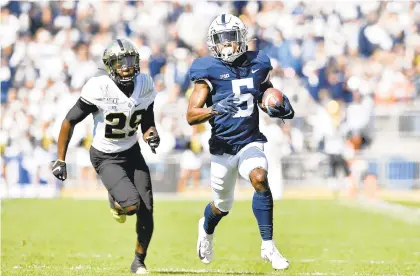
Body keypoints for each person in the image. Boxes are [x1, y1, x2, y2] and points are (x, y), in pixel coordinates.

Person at [186, 14, 294, 271]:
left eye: (230, 40)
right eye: (220, 41)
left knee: (259, 177)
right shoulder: (207, 70)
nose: (226, 45)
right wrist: (215, 109)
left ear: (241, 40)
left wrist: (279, 106)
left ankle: (268, 245)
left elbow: (266, 93)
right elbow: (191, 115)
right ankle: (206, 229)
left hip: (249, 140)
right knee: (222, 206)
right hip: (222, 147)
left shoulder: (258, 63)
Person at [51, 38, 160, 275]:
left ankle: (139, 261)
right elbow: (69, 120)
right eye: (121, 63)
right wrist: (60, 159)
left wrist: (151, 134)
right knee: (131, 206)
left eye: (131, 61)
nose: (127, 67)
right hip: (106, 155)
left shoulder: (145, 84)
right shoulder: (98, 87)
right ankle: (115, 199)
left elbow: (147, 120)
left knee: (147, 209)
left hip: (132, 151)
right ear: (110, 66)